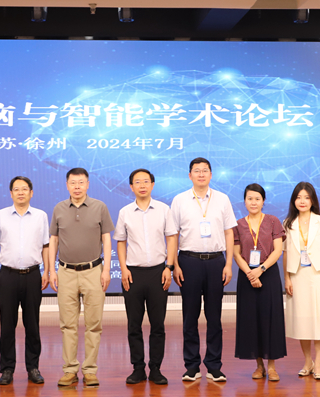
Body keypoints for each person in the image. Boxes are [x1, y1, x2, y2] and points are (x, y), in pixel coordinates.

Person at [169, 157, 236, 383]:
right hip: (188, 261)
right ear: (190, 175)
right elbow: (173, 234)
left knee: (214, 317)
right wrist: (175, 265)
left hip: (216, 261)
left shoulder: (222, 199)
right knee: (190, 316)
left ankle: (214, 366)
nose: (201, 174)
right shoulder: (179, 200)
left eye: (205, 170)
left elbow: (229, 232)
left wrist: (228, 264)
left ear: (211, 174)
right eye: (196, 171)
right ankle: (192, 366)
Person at [47, 167, 114, 387]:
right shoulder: (59, 208)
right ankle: (69, 370)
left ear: (87, 184)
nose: (77, 187)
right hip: (66, 272)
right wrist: (52, 271)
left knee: (94, 324)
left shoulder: (99, 207)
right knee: (68, 325)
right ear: (67, 185)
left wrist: (106, 270)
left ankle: (90, 370)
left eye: (81, 182)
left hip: (93, 271)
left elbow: (106, 238)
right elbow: (54, 240)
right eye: (73, 183)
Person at [0, 176, 50, 386]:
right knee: (7, 325)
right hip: (8, 276)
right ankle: (7, 369)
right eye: (16, 189)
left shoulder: (40, 216)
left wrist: (48, 271)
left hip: (32, 275)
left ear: (31, 193)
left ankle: (33, 367)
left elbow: (46, 246)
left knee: (33, 325)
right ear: (11, 193)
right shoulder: (0, 216)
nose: (20, 192)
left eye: (24, 189)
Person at [114, 169, 176, 386]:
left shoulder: (164, 209)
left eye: (146, 181)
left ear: (152, 185)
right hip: (133, 273)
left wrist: (169, 267)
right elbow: (121, 242)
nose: (142, 185)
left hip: (159, 272)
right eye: (137, 182)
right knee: (134, 324)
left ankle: (156, 369)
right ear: (131, 187)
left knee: (158, 324)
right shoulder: (125, 212)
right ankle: (138, 368)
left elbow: (171, 239)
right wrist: (123, 269)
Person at [233, 183, 286, 381]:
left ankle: (272, 367)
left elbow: (278, 250)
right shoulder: (238, 224)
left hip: (268, 274)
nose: (253, 202)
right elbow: (236, 254)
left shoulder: (273, 221)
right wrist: (250, 274)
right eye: (250, 199)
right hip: (247, 276)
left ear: (263, 201)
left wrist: (260, 270)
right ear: (244, 201)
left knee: (270, 319)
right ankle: (259, 366)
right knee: (251, 320)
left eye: (257, 199)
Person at [284, 182, 320, 380]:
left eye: (306, 197)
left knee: (319, 321)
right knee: (302, 321)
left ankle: (319, 363)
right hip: (297, 276)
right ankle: (307, 362)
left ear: (312, 200)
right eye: (298, 197)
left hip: (318, 275)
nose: (302, 201)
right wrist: (287, 278)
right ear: (293, 201)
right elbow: (285, 254)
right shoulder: (288, 223)